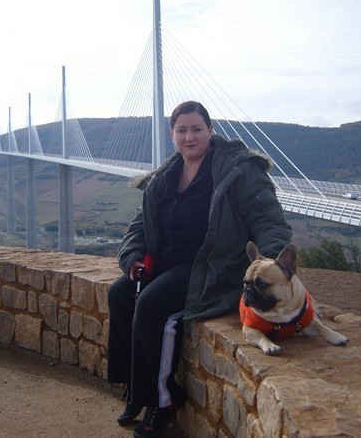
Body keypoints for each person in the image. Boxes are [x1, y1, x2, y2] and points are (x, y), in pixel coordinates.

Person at [107, 101, 292, 438]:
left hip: (211, 267)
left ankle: (160, 403)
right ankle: (136, 387)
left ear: (210, 130)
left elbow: (268, 219)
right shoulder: (164, 177)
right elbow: (139, 225)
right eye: (182, 130)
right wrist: (133, 256)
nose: (189, 137)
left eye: (196, 129)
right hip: (166, 261)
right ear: (172, 134)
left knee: (152, 305)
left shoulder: (238, 170)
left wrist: (272, 263)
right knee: (119, 293)